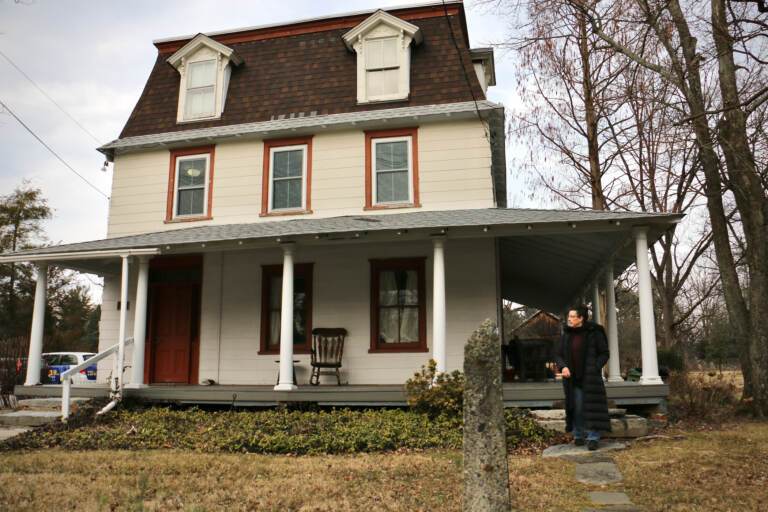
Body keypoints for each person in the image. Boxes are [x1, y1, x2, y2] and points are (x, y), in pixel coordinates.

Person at [555, 305, 611, 450]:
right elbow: (558, 355)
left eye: (573, 316)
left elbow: (604, 353)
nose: (569, 319)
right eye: (569, 316)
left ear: (581, 318)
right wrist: (563, 367)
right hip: (573, 379)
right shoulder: (566, 334)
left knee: (593, 407)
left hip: (591, 378)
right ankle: (579, 434)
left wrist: (595, 366)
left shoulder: (595, 332)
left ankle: (593, 438)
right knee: (577, 407)